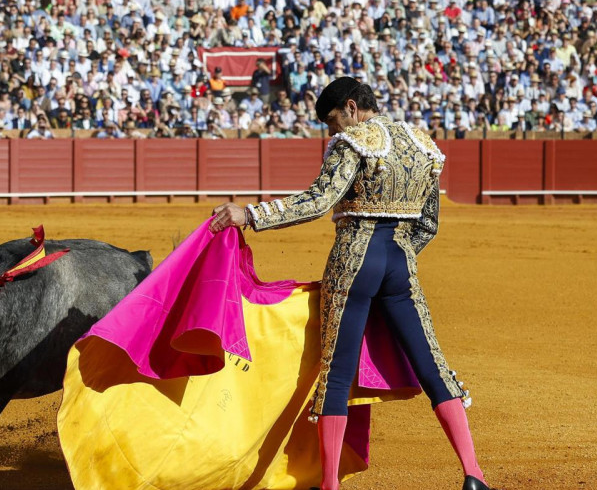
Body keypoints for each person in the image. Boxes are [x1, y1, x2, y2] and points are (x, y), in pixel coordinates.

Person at [209, 77, 489, 490]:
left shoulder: (353, 141)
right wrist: (398, 259)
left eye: (333, 121)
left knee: (336, 372)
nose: (333, 131)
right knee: (431, 364)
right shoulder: (422, 143)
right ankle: (474, 474)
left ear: (352, 107)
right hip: (400, 259)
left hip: (355, 258)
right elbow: (428, 223)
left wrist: (250, 214)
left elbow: (320, 201)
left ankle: (329, 485)